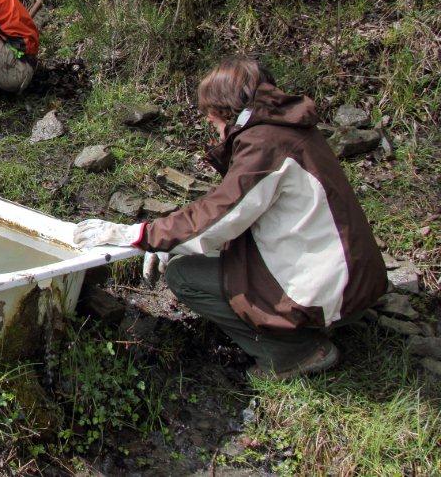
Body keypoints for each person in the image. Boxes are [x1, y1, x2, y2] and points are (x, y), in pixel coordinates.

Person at [74, 57, 388, 380]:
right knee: (208, 253)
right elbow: (236, 211)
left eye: (212, 119)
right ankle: (308, 326)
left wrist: (143, 235)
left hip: (331, 290)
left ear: (224, 111)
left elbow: (221, 215)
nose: (213, 127)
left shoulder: (266, 144)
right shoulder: (286, 128)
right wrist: (175, 240)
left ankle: (295, 352)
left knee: (183, 277)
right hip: (351, 280)